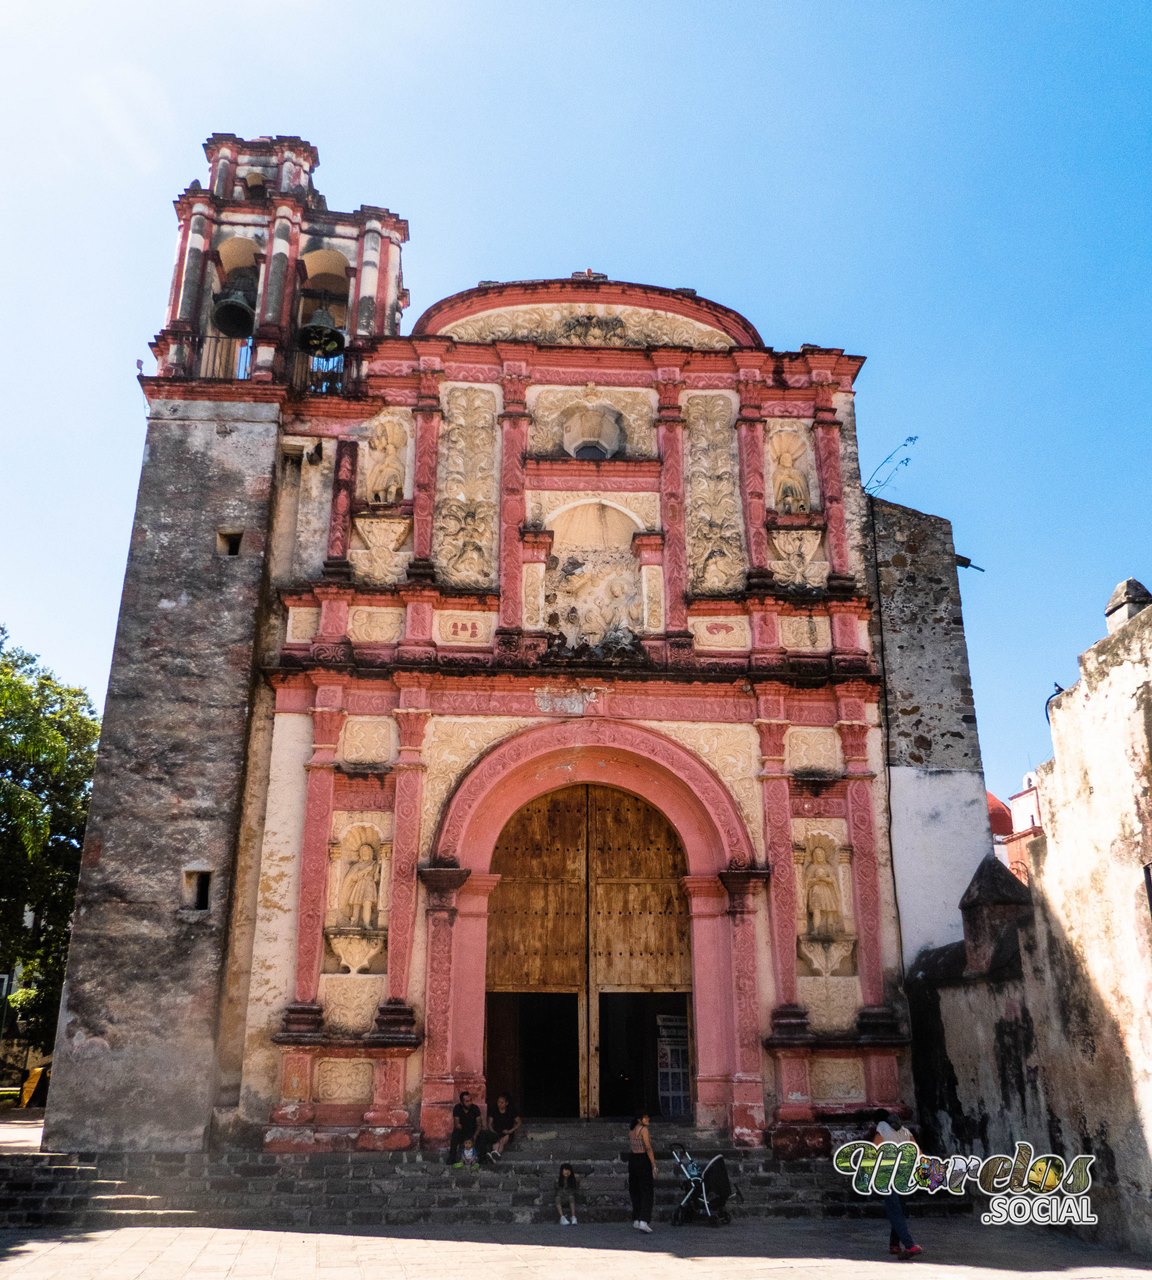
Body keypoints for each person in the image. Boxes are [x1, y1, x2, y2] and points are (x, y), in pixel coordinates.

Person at [872, 1109, 923, 1260]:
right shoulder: (906, 1131)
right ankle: (894, 1245)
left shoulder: (881, 1128)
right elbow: (918, 1153)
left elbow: (875, 1149)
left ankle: (909, 1245)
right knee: (899, 1209)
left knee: (895, 1211)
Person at [628, 1115, 657, 1232]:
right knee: (647, 1190)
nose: (648, 1119)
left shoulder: (631, 1130)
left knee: (635, 1190)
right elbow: (648, 1148)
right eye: (645, 1118)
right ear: (639, 1119)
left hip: (633, 1159)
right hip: (642, 1160)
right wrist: (654, 1165)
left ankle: (636, 1218)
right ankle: (644, 1220)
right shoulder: (644, 1130)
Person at [448, 1090, 483, 1165]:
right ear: (461, 1102)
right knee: (455, 1133)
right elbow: (457, 1124)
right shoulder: (457, 1108)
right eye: (467, 1101)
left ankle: (481, 1159)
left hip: (473, 1132)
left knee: (482, 1134)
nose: (469, 1103)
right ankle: (452, 1158)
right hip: (462, 1132)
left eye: (470, 1100)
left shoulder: (475, 1108)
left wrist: (475, 1136)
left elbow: (479, 1124)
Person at [485, 1093, 521, 1162]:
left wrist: (511, 1130)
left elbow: (519, 1122)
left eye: (502, 1102)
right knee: (496, 1141)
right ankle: (495, 1155)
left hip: (507, 1132)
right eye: (498, 1102)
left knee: (502, 1140)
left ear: (506, 1103)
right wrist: (493, 1132)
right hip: (497, 1131)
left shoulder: (511, 1111)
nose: (500, 1104)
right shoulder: (494, 1110)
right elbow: (489, 1124)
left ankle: (495, 1155)